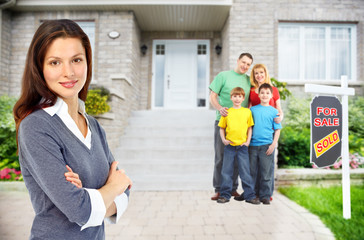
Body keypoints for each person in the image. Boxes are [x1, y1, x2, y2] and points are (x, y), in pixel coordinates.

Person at [13, 19, 132, 240]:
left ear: (87, 62)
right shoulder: (36, 126)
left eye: (76, 60)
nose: (68, 72)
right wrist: (109, 189)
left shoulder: (94, 126)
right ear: (39, 68)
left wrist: (90, 198)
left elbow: (124, 192)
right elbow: (82, 210)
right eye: (55, 62)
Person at [209, 53, 253, 200]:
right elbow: (212, 96)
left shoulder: (248, 80)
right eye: (243, 62)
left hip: (240, 126)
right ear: (238, 61)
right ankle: (219, 189)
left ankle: (232, 189)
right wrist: (219, 108)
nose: (245, 66)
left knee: (236, 159)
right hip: (223, 123)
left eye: (248, 64)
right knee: (221, 157)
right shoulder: (223, 76)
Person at [245, 63, 283, 201]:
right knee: (254, 168)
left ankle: (267, 194)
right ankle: (254, 193)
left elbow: (279, 110)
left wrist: (280, 118)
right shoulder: (252, 91)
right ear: (253, 75)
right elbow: (249, 111)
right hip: (256, 131)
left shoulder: (273, 90)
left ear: (265, 73)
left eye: (261, 72)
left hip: (269, 130)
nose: (259, 75)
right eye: (256, 73)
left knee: (267, 167)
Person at [216, 87, 260, 205]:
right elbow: (221, 128)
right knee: (226, 172)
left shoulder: (247, 112)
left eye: (239, 96)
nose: (237, 99)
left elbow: (250, 128)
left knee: (245, 172)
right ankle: (225, 195)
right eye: (235, 96)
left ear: (243, 98)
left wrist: (247, 142)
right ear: (231, 98)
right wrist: (224, 139)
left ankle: (250, 195)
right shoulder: (227, 112)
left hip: (242, 147)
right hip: (229, 147)